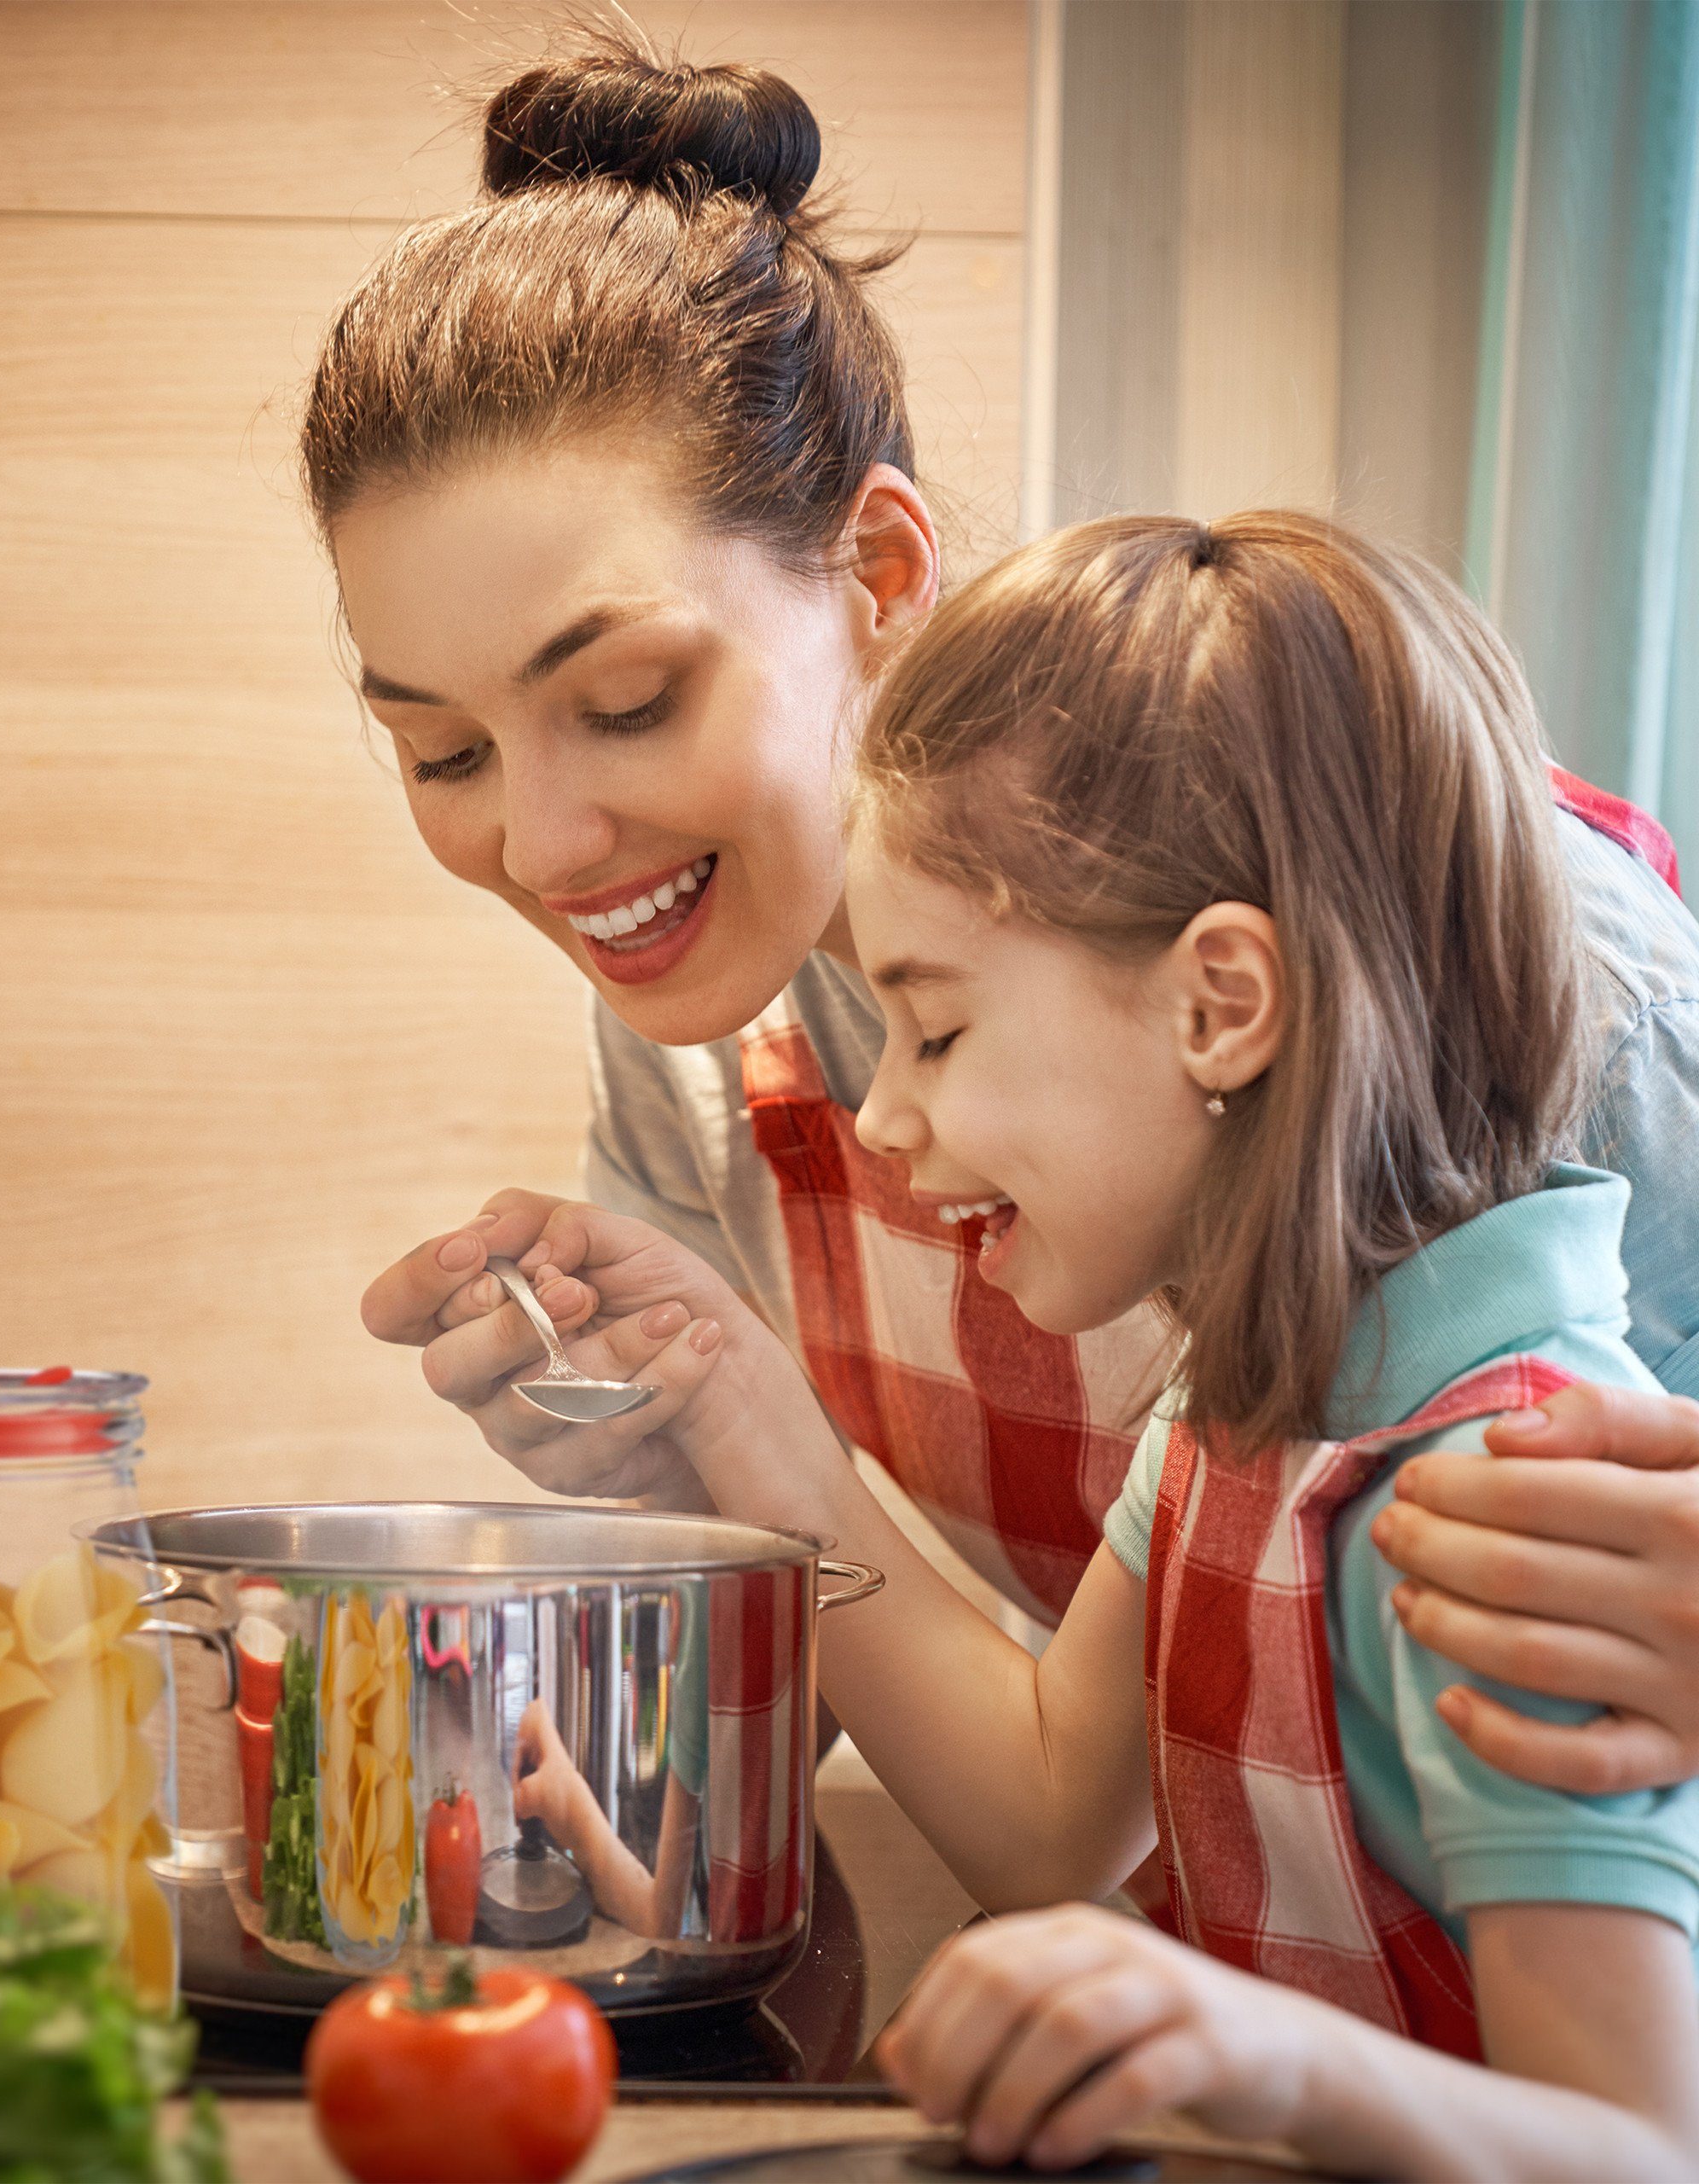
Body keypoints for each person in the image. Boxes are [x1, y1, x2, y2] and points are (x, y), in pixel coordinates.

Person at [307, 34, 1699, 1798]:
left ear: (879, 576)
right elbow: (1045, 1784)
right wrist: (696, 1476)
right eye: (439, 750)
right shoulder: (689, 1050)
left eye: (632, 697)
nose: (545, 839)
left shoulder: (1528, 966)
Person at [449, 513, 1699, 2175]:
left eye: (939, 1025)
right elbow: (1048, 1812)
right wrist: (731, 1391)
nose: (883, 1110)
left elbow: (1632, 2143)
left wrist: (1256, 2049)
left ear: (1217, 1005)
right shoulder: (1256, 1391)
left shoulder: (1504, 1496)